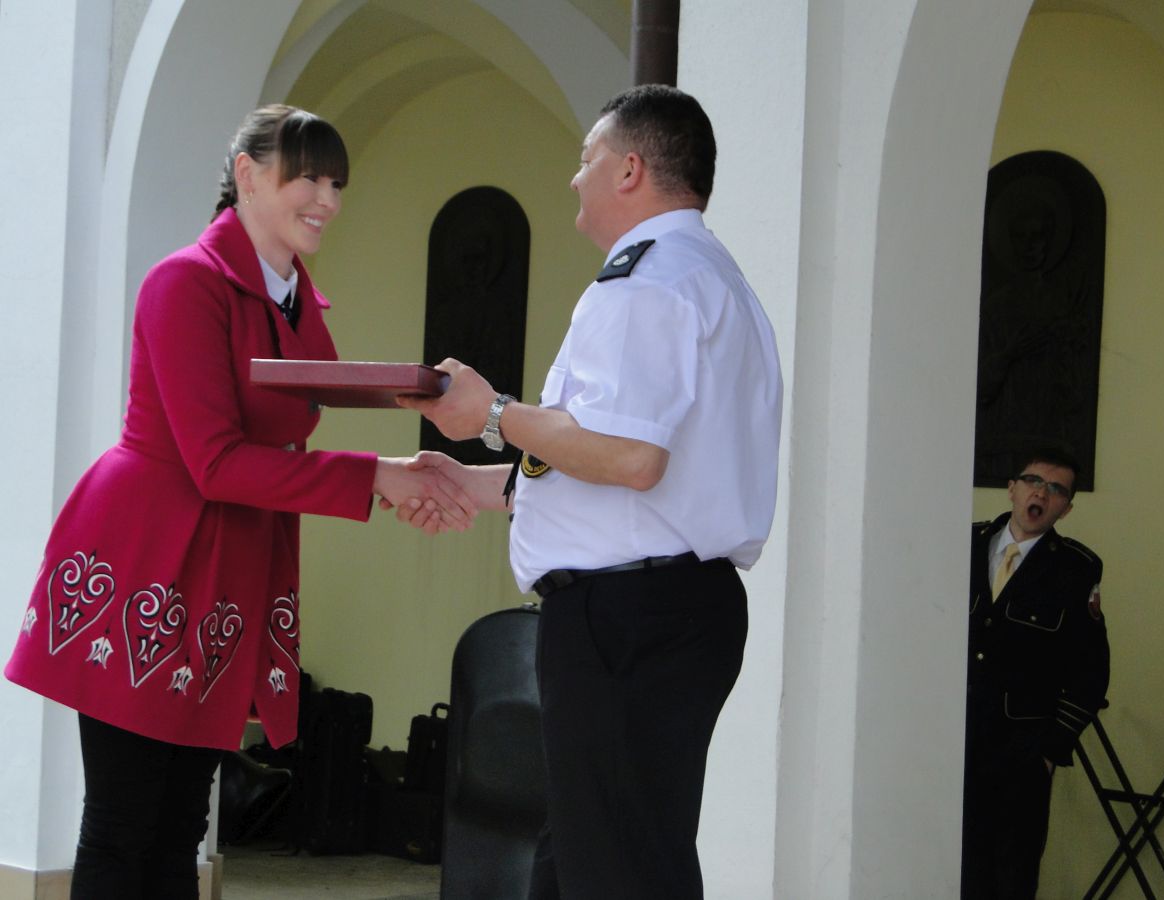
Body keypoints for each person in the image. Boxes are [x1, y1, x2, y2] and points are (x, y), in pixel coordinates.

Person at [4, 104, 474, 900]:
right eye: (307, 178)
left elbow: (297, 413)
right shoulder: (183, 281)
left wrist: (412, 428)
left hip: (227, 564)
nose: (326, 199)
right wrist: (378, 477)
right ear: (249, 175)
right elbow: (215, 461)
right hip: (148, 553)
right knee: (123, 823)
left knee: (182, 824)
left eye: (337, 183)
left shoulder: (293, 299)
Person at [396, 84, 783, 900]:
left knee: (617, 870)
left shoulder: (646, 281)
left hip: (627, 619)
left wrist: (492, 414)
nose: (575, 178)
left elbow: (633, 459)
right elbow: (620, 472)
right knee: (581, 862)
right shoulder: (710, 277)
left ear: (630, 169)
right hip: (664, 606)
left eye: (587, 159)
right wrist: (480, 483)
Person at [962, 447, 1109, 899]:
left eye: (1056, 489)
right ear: (1012, 488)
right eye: (1033, 481)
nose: (1041, 494)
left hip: (1020, 755)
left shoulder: (1075, 569)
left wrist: (1050, 750)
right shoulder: (962, 543)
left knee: (1012, 878)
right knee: (948, 870)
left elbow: (1091, 673)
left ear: (1066, 507)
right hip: (951, 743)